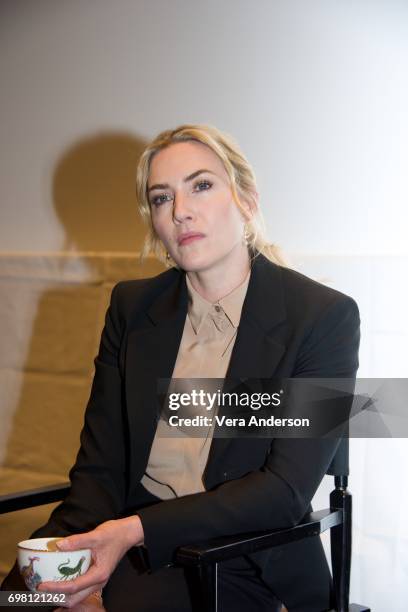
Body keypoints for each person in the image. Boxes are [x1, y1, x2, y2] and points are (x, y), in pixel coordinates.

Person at [1, 124, 360, 611]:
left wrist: (131, 534)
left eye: (202, 185)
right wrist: (64, 556)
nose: (181, 210)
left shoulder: (321, 317)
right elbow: (100, 470)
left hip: (242, 553)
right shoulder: (132, 308)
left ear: (247, 200)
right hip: (128, 540)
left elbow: (284, 492)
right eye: (161, 198)